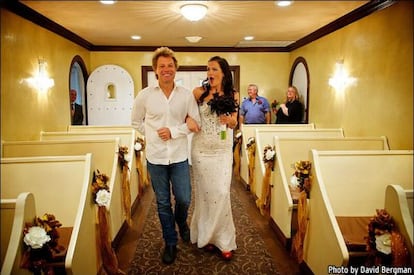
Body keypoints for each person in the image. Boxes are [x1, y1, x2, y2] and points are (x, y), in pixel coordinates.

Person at [131, 47, 201, 265]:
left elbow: (195, 122)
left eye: (170, 65)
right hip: (156, 158)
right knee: (162, 203)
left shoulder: (186, 95)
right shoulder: (144, 95)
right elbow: (135, 123)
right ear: (155, 70)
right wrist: (152, 136)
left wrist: (174, 131)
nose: (166, 69)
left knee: (184, 198)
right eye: (162, 66)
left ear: (175, 69)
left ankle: (182, 221)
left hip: (180, 156)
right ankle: (170, 241)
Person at [187, 56, 239, 261]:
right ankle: (206, 237)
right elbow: (186, 115)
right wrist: (190, 119)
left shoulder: (233, 94)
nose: (210, 73)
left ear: (224, 73)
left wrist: (231, 121)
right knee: (205, 195)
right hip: (200, 150)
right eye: (208, 69)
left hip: (222, 149)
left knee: (221, 192)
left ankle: (224, 240)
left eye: (215, 69)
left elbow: (235, 121)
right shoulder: (198, 93)